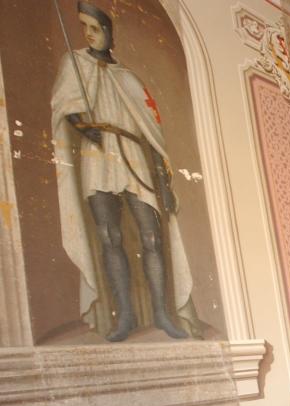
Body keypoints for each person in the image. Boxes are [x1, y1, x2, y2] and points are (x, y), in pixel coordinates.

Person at [51, 1, 194, 341]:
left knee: (151, 237)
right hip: (97, 154)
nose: (89, 34)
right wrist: (82, 125)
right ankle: (125, 316)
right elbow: (65, 104)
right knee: (109, 235)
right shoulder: (75, 64)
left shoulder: (128, 77)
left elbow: (151, 131)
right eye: (84, 27)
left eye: (95, 28)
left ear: (109, 33)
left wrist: (163, 177)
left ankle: (162, 313)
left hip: (132, 153)